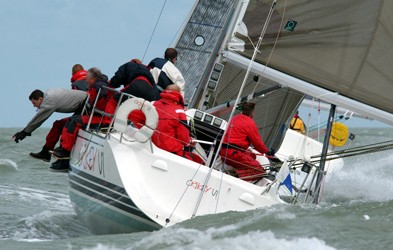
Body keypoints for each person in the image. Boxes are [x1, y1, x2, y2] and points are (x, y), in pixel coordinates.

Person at [51, 67, 110, 170]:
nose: (85, 80)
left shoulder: (99, 87)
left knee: (74, 121)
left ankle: (65, 151)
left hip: (103, 119)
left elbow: (102, 96)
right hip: (98, 116)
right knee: (72, 120)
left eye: (87, 78)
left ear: (93, 79)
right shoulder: (99, 85)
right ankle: (63, 149)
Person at [29, 64, 88, 162]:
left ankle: (59, 153)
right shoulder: (91, 81)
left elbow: (83, 103)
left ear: (73, 74)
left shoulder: (76, 84)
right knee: (62, 124)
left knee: (61, 125)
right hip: (90, 114)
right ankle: (52, 152)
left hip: (85, 115)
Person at [131, 84, 203, 164]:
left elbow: (136, 117)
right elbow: (183, 138)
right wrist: (190, 142)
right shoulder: (179, 112)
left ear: (165, 91)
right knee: (198, 161)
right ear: (179, 94)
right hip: (170, 151)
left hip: (148, 144)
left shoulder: (152, 104)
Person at [12, 89, 88, 162]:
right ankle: (46, 152)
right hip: (82, 106)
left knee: (66, 125)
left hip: (87, 104)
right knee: (58, 124)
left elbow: (39, 119)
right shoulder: (48, 96)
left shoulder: (49, 101)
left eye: (34, 103)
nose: (34, 106)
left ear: (40, 99)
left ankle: (65, 152)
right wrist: (25, 131)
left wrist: (24, 132)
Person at [219, 102, 273, 182]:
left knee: (252, 155)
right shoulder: (250, 123)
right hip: (234, 154)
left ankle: (235, 173)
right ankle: (233, 175)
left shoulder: (234, 118)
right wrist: (268, 152)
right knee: (259, 170)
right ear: (252, 112)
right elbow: (258, 144)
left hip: (224, 152)